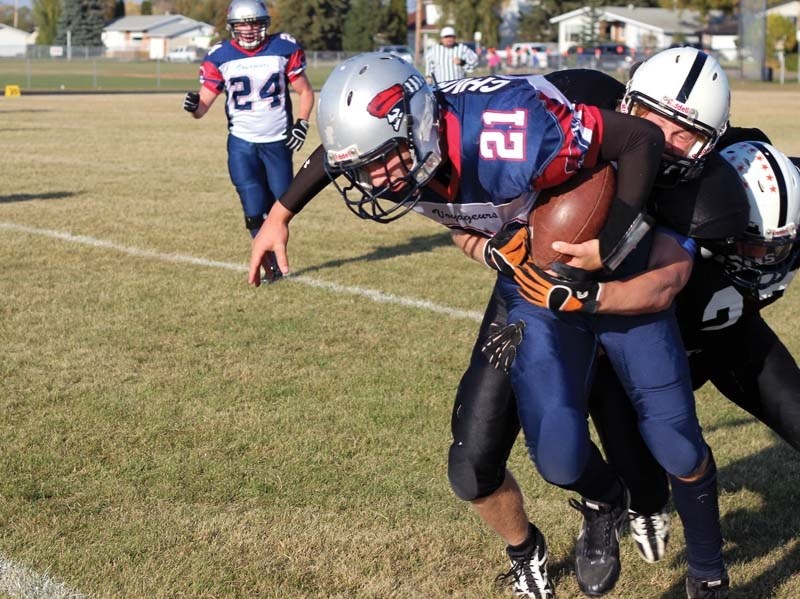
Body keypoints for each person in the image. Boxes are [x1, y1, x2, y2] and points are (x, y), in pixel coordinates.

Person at [245, 52, 719, 598]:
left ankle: (659, 527)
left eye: (381, 161)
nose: (373, 181)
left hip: (583, 253)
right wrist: (279, 217)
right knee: (479, 462)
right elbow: (339, 153)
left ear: (419, 124)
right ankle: (591, 505)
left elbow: (638, 139)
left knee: (645, 422)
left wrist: (609, 242)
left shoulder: (508, 131)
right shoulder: (388, 144)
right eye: (362, 167)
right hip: (524, 280)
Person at [467, 48, 759, 599]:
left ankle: (707, 571)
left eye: (686, 129)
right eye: (653, 116)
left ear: (709, 141)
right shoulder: (566, 118)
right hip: (545, 302)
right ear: (625, 103)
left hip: (627, 305)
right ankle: (605, 502)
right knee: (556, 456)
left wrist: (593, 296)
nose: (666, 137)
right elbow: (463, 210)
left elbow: (665, 283)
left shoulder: (704, 190)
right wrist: (493, 250)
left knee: (677, 444)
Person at [587, 139, 800, 574]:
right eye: (756, 248)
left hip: (733, 339)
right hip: (648, 356)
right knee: (645, 479)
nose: (767, 261)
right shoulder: (671, 225)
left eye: (776, 248)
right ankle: (628, 505)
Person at [182, 0, 314, 282]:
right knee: (254, 207)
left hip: (277, 140)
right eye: (243, 23)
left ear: (264, 23)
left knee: (281, 207)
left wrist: (302, 123)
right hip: (242, 142)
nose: (249, 29)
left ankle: (277, 260)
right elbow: (203, 107)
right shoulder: (220, 55)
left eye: (255, 22)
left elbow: (305, 91)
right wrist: (193, 105)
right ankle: (271, 268)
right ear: (232, 26)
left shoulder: (283, 47)